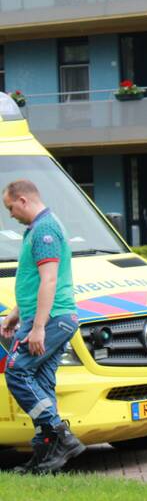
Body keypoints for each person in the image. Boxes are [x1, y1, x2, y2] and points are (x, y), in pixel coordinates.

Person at [0, 179, 86, 474]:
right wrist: (15, 313)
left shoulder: (45, 230)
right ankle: (46, 456)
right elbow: (34, 281)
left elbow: (49, 281)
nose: (10, 214)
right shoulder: (37, 229)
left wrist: (37, 328)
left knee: (17, 372)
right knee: (42, 383)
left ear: (22, 200)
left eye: (10, 207)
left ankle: (59, 435)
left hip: (51, 319)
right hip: (51, 317)